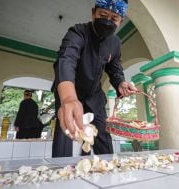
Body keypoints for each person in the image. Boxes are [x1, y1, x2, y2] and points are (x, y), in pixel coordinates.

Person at [52, 0, 137, 157]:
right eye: (103, 15)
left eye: (113, 19)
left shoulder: (115, 43)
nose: (107, 22)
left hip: (95, 96)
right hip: (70, 92)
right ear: (93, 13)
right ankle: (60, 172)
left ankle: (107, 169)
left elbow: (115, 68)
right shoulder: (78, 32)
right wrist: (69, 98)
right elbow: (66, 60)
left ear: (121, 21)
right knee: (66, 132)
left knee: (102, 136)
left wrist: (121, 83)